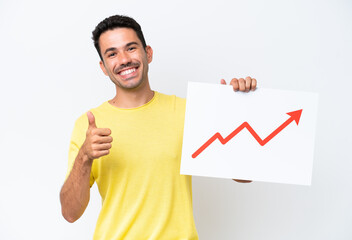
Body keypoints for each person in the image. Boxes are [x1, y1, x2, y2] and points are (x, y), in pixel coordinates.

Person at [60, 15, 257, 240]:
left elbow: (244, 177)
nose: (124, 59)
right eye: (112, 53)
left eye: (131, 48)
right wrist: (84, 156)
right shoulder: (88, 124)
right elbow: (70, 213)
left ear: (148, 53)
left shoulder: (186, 112)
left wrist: (236, 111)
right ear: (104, 67)